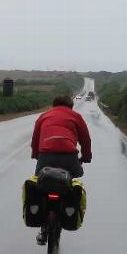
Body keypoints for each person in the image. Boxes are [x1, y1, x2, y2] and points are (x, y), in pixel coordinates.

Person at [30, 95, 92, 244]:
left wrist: (35, 155)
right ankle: (67, 212)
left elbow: (35, 139)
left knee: (41, 183)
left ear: (53, 104)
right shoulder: (76, 116)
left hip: (46, 156)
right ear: (70, 106)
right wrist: (86, 157)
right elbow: (85, 139)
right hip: (69, 157)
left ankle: (44, 227)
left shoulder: (44, 115)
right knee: (72, 181)